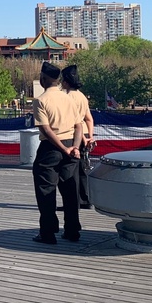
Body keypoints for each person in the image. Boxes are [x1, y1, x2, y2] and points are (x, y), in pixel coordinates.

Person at [31, 62, 83, 245]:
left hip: (51, 148)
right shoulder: (69, 99)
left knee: (46, 190)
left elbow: (46, 129)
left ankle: (48, 232)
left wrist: (62, 148)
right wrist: (75, 147)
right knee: (70, 190)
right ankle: (72, 230)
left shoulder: (41, 100)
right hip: (71, 145)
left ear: (43, 79)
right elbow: (79, 126)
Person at [61, 65, 94, 209]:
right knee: (82, 169)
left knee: (70, 171)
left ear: (66, 82)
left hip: (74, 135)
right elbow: (89, 119)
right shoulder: (82, 96)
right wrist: (90, 137)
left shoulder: (67, 98)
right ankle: (85, 199)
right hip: (84, 133)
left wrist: (81, 139)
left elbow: (75, 121)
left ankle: (72, 202)